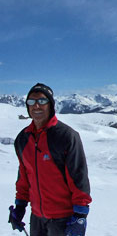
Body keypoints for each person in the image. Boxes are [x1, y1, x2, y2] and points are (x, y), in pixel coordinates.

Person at [8, 83, 92, 236]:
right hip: (37, 218)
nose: (36, 106)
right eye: (31, 102)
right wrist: (20, 206)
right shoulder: (22, 139)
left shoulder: (66, 136)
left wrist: (81, 215)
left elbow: (78, 177)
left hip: (63, 219)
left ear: (51, 105)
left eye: (42, 101)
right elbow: (24, 177)